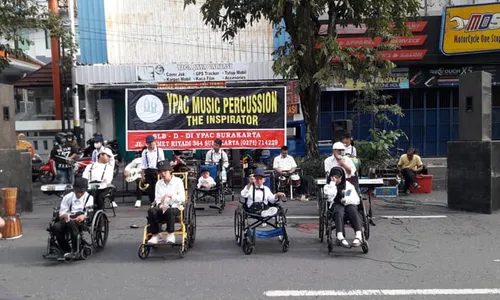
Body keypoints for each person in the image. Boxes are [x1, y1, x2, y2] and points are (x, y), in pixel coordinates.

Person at [52, 177, 94, 258]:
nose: (80, 194)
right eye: (78, 192)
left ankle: (75, 249)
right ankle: (65, 249)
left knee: (72, 225)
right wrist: (65, 215)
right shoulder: (68, 197)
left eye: (82, 192)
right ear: (74, 190)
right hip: (68, 217)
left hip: (81, 218)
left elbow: (89, 212)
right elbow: (62, 212)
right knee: (56, 227)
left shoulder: (89, 198)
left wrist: (83, 216)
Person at [147, 161, 186, 244]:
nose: (163, 174)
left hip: (176, 207)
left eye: (165, 171)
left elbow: (182, 198)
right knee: (151, 211)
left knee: (170, 210)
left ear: (170, 171)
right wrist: (160, 204)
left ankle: (170, 233)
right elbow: (157, 199)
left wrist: (170, 195)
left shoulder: (178, 181)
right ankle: (156, 235)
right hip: (162, 207)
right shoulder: (158, 183)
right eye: (161, 172)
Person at [324, 166, 363, 248]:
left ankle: (359, 235)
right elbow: (329, 197)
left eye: (337, 177)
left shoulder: (348, 186)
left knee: (353, 209)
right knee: (339, 211)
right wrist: (332, 184)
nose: (336, 179)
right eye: (333, 177)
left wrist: (346, 200)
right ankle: (340, 236)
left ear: (342, 177)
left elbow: (354, 198)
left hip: (348, 203)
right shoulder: (327, 187)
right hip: (335, 204)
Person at [141, 135, 165, 204]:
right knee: (149, 188)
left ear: (155, 142)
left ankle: (158, 201)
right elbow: (143, 164)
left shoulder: (159, 151)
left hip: (157, 171)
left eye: (152, 142)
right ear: (147, 144)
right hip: (148, 171)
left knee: (157, 187)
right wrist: (142, 176)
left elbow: (162, 163)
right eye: (149, 143)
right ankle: (152, 201)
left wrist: (161, 173)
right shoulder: (145, 152)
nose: (151, 144)